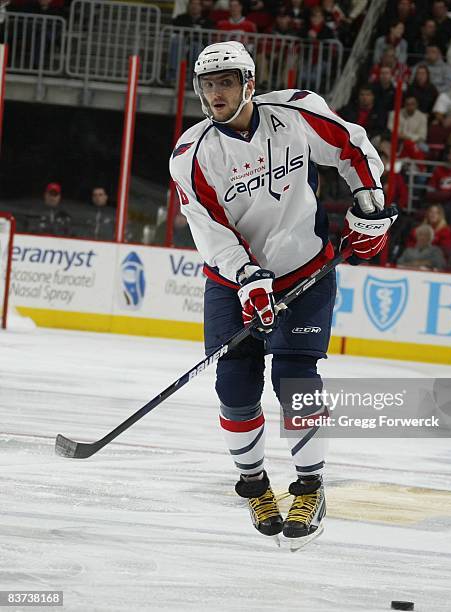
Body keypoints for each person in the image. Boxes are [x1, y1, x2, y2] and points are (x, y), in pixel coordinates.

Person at [169, 41, 397, 543]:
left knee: (297, 378)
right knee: (234, 387)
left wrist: (370, 202)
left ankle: (310, 485)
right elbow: (209, 229)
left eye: (225, 82)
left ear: (249, 83)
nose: (216, 93)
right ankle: (254, 486)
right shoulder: (192, 154)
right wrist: (248, 278)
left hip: (303, 271)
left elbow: (352, 147)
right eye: (208, 85)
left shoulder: (293, 114)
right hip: (233, 282)